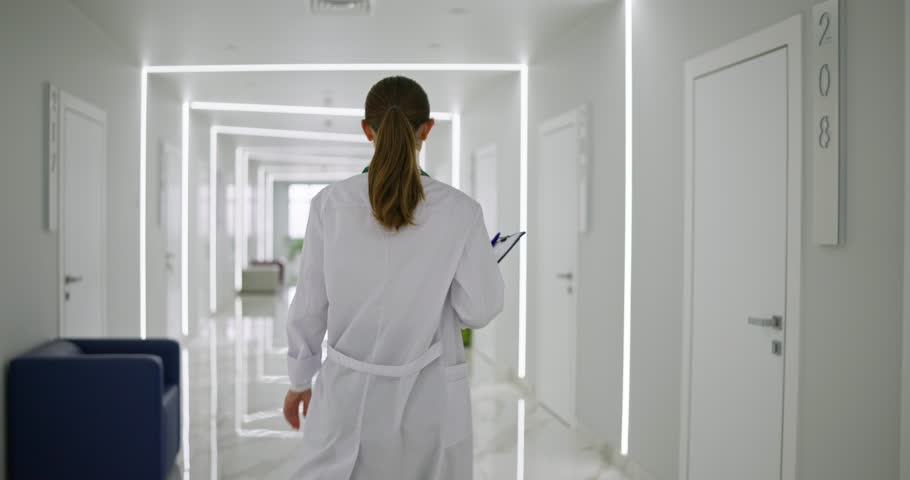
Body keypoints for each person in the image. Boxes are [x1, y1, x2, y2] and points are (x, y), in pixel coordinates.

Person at [283, 76, 505, 480]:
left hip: (346, 398)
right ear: (428, 129)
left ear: (366, 130)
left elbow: (309, 307)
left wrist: (299, 380)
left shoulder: (328, 205)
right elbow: (480, 309)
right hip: (430, 401)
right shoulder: (461, 211)